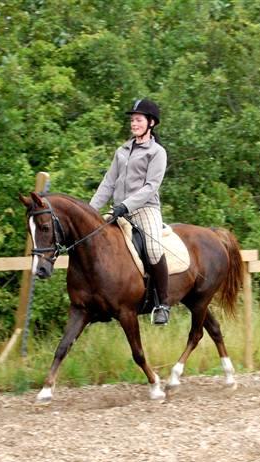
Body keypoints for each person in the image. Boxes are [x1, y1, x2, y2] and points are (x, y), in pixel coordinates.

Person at [89, 99, 171, 325]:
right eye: (132, 120)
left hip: (145, 209)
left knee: (153, 248)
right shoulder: (122, 151)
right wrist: (90, 211)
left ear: (151, 123)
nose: (133, 123)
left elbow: (151, 186)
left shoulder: (157, 152)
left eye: (138, 120)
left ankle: (162, 303)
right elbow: (108, 182)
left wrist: (126, 205)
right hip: (119, 210)